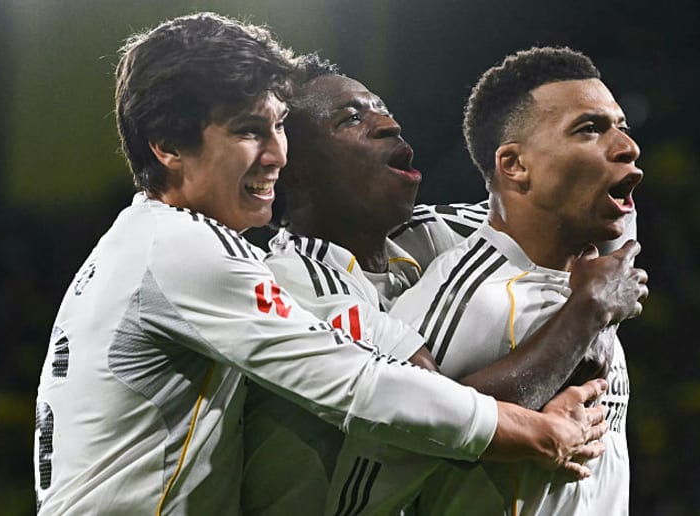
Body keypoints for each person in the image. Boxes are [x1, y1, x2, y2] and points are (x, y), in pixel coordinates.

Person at [32, 15, 609, 515]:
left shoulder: (147, 243)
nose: (277, 153)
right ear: (167, 146)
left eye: (279, 124)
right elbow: (361, 388)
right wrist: (539, 431)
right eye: (248, 131)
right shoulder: (187, 252)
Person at [241, 55, 647, 515]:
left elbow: (567, 208)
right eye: (352, 118)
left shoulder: (434, 233)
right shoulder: (298, 286)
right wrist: (585, 318)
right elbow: (426, 407)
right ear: (293, 167)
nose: (388, 123)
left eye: (380, 107)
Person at [387, 46, 646, 515]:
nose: (627, 146)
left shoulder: (595, 277)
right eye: (589, 129)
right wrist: (588, 313)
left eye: (621, 128)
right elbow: (407, 437)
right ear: (515, 165)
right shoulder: (470, 297)